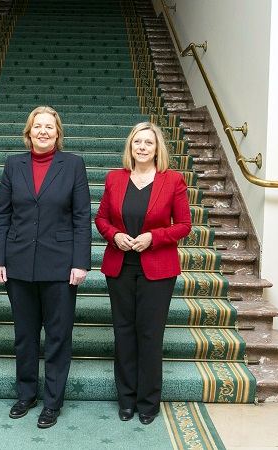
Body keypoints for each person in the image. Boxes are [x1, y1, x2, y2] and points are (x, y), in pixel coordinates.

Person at [0, 106, 91, 429]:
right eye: (38, 126)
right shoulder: (13, 164)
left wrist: (80, 262)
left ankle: (52, 402)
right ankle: (26, 394)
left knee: (58, 337)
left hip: (60, 265)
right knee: (24, 335)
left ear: (58, 133)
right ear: (29, 132)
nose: (43, 131)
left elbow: (81, 218)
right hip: (18, 264)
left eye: (49, 127)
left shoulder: (73, 164)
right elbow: (2, 215)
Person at [94, 122, 191, 425]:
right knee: (124, 333)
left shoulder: (172, 180)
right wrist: (113, 236)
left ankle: (148, 401)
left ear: (157, 148)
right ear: (130, 147)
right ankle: (126, 399)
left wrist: (155, 237)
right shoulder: (114, 179)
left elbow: (184, 224)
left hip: (158, 268)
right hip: (120, 267)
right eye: (137, 142)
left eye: (148, 142)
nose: (142, 147)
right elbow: (101, 218)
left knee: (149, 335)